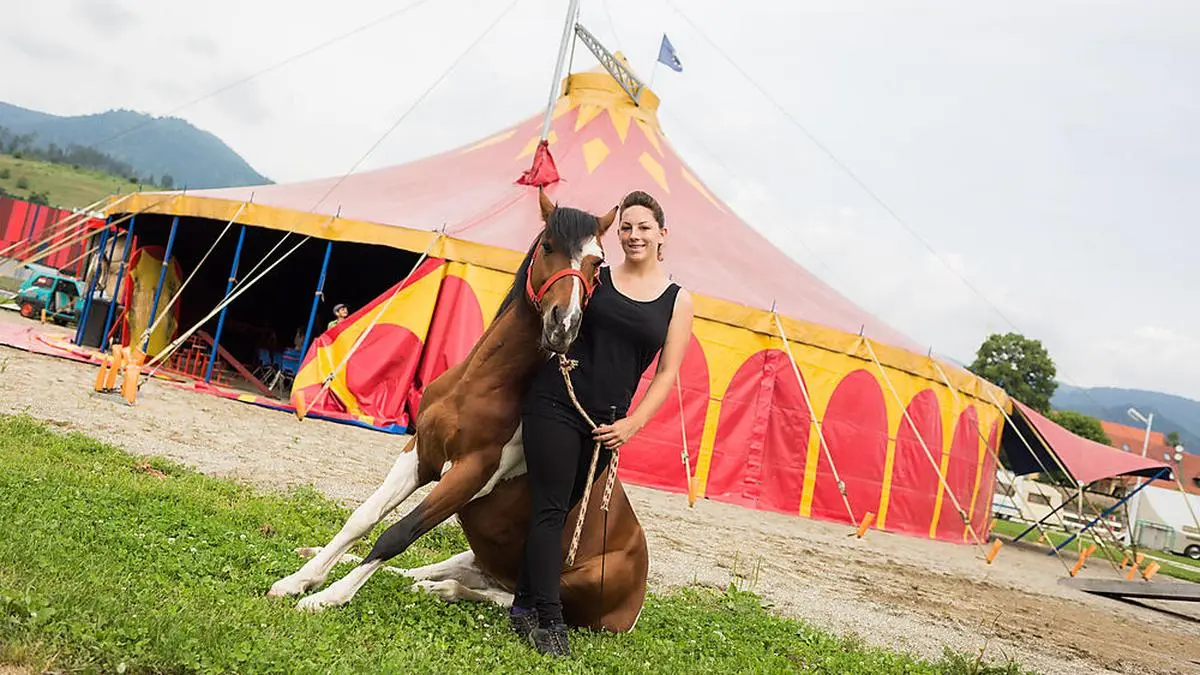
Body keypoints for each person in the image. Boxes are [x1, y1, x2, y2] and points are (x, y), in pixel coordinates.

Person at [510, 190, 695, 657]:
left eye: (643, 227)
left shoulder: (677, 300)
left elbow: (667, 372)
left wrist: (632, 425)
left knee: (566, 509)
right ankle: (548, 620)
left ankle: (522, 606)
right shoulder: (597, 277)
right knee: (551, 509)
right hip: (557, 402)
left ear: (662, 235)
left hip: (607, 426)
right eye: (627, 227)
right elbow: (554, 308)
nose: (634, 235)